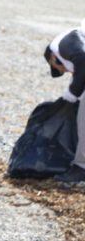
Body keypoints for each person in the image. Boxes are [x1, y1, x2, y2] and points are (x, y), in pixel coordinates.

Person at [45, 23, 85, 183]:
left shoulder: (63, 45)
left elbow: (83, 61)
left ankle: (81, 168)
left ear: (53, 57)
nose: (68, 72)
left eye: (61, 69)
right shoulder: (75, 38)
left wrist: (72, 93)